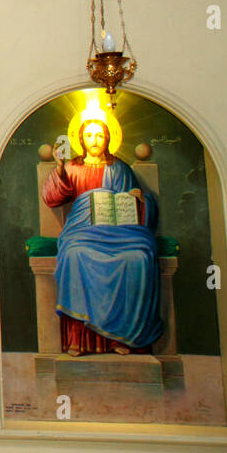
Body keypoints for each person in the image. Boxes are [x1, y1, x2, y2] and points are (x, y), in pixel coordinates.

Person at [41, 114, 163, 356]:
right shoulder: (72, 167)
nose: (94, 140)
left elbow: (140, 205)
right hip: (82, 232)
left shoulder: (119, 168)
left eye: (99, 135)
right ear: (81, 139)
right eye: (89, 135)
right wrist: (59, 166)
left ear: (108, 138)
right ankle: (80, 340)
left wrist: (139, 198)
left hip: (120, 232)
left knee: (139, 257)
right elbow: (52, 198)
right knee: (75, 255)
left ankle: (121, 338)